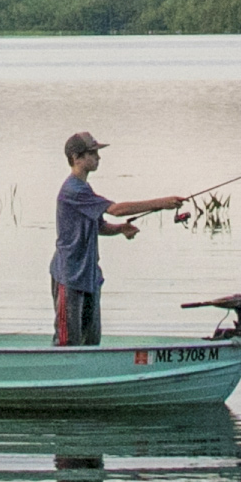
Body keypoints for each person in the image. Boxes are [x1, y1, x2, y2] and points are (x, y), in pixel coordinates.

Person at [47, 131, 190, 347]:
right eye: (92, 153)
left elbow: (99, 226)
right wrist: (160, 203)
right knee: (68, 342)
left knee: (90, 341)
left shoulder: (84, 188)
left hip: (88, 275)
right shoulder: (73, 190)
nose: (98, 157)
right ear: (76, 158)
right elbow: (116, 209)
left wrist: (120, 229)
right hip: (69, 275)